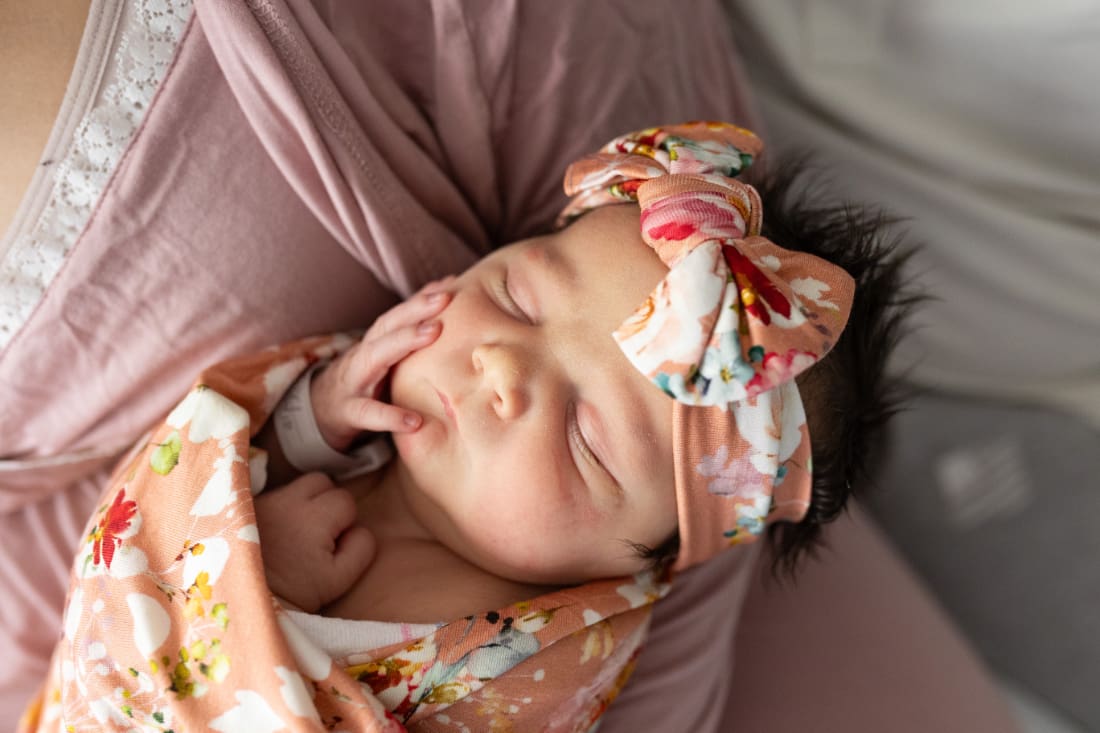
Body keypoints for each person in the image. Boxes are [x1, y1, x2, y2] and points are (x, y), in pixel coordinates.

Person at [1, 1, 1022, 730]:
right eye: (518, 296)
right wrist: (305, 423)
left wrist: (284, 624)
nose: (498, 367)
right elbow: (160, 492)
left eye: (583, 436)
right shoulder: (357, 440)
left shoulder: (541, 671)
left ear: (643, 564)